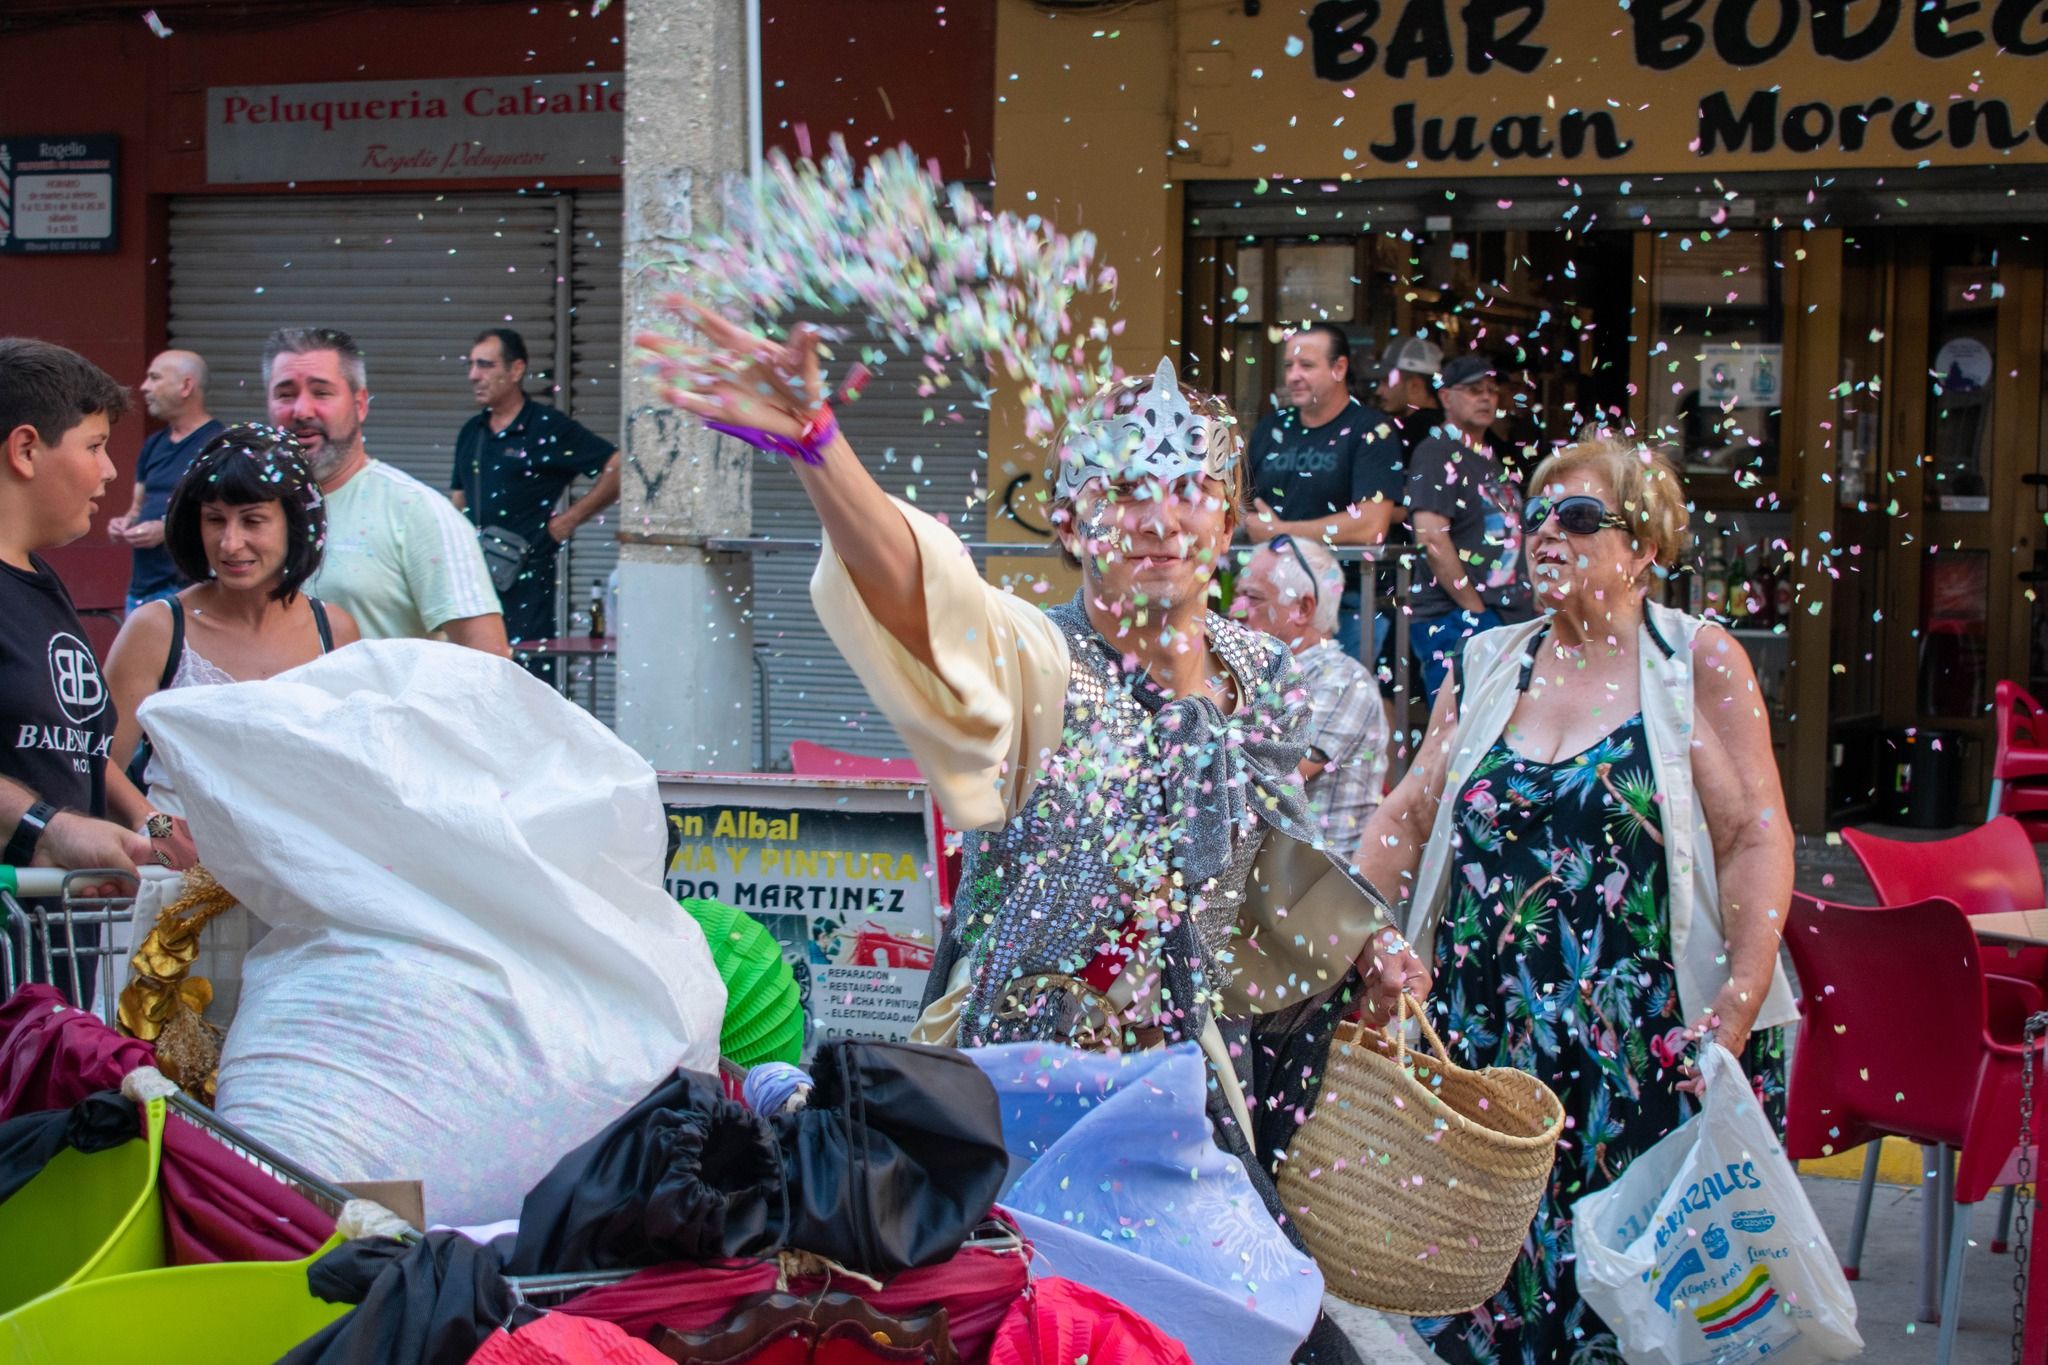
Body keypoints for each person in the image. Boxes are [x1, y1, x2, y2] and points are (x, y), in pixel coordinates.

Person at [652, 306, 1424, 1365]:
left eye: (1188, 487)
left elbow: (1265, 858)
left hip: (1197, 1096)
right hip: (1027, 1102)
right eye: (1125, 490)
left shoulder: (1260, 672)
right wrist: (821, 450)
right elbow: (924, 598)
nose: (1158, 518)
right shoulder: (1038, 664)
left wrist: (1365, 942)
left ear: (1228, 514)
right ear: (1070, 520)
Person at [1357, 436, 1796, 1365]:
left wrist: (1742, 996)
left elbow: (1754, 836)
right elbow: (1407, 813)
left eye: (1581, 516)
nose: (1547, 533)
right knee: (1492, 1308)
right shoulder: (1488, 661)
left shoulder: (1695, 661)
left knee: (1631, 1316)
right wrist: (1367, 933)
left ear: (1645, 547)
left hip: (1644, 1048)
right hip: (1493, 1052)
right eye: (1536, 516)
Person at [0, 338, 155, 1004]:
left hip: (50, 968)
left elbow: (81, 750)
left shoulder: (41, 581)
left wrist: (158, 827)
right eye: (94, 446)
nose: (111, 471)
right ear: (26, 449)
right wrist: (49, 831)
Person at [264, 327, 509, 655]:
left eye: (321, 393)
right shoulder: (243, 514)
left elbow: (490, 660)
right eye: (285, 394)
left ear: (360, 404)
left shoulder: (417, 512)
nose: (302, 411)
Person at [449, 328, 620, 651]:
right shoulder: (472, 432)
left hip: (527, 587)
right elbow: (458, 503)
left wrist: (564, 524)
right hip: (473, 586)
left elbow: (618, 467)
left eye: (485, 365)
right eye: (470, 365)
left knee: (526, 672)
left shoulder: (546, 426)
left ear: (516, 370)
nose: (473, 375)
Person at [1243, 322, 1405, 661]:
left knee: (1332, 692)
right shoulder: (1272, 427)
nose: (1294, 376)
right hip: (1268, 597)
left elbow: (1370, 525)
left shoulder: (1371, 429)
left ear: (1339, 368)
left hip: (1347, 600)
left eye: (1306, 365)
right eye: (1289, 366)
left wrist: (1281, 532)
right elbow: (1241, 503)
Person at [1232, 535, 1388, 854]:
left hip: (1317, 880)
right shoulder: (1254, 675)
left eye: (1253, 598)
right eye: (1237, 595)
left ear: (1302, 609)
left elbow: (1272, 779)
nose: (1235, 610)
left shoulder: (1342, 680)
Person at [1404, 353, 1534, 707]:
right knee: (1460, 728)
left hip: (1503, 616)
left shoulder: (1489, 455)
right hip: (1457, 618)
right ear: (1446, 397)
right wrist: (1474, 610)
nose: (1486, 398)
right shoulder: (1436, 452)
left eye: (1492, 390)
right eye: (1474, 390)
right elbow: (1431, 536)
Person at [109, 350, 223, 613]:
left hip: (188, 589)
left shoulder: (219, 444)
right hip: (141, 590)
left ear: (186, 386)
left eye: (155, 378)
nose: (144, 387)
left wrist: (166, 529)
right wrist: (125, 523)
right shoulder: (153, 444)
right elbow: (137, 508)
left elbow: (225, 517)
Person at [1373, 334, 1444, 458]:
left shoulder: (1401, 435)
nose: (1378, 391)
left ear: (1414, 386)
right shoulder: (1453, 425)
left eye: (1386, 381)